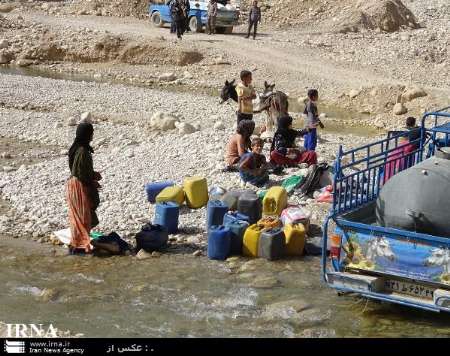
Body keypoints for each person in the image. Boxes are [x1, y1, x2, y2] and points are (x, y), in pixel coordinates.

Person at [66, 123, 102, 254]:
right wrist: (93, 181)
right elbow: (81, 173)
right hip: (79, 186)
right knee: (83, 217)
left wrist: (92, 175)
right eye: (91, 133)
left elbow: (80, 170)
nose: (92, 135)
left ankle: (78, 244)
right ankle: (79, 246)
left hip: (75, 184)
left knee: (81, 217)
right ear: (87, 134)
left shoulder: (78, 148)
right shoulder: (82, 151)